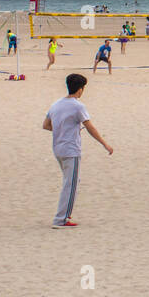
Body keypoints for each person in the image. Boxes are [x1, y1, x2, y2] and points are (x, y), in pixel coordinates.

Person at [43, 73, 113, 228]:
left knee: (72, 181)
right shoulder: (78, 106)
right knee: (70, 184)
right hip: (70, 149)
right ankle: (60, 219)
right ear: (80, 90)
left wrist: (63, 129)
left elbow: (46, 125)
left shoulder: (56, 104)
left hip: (57, 148)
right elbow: (90, 127)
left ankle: (64, 216)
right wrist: (105, 144)